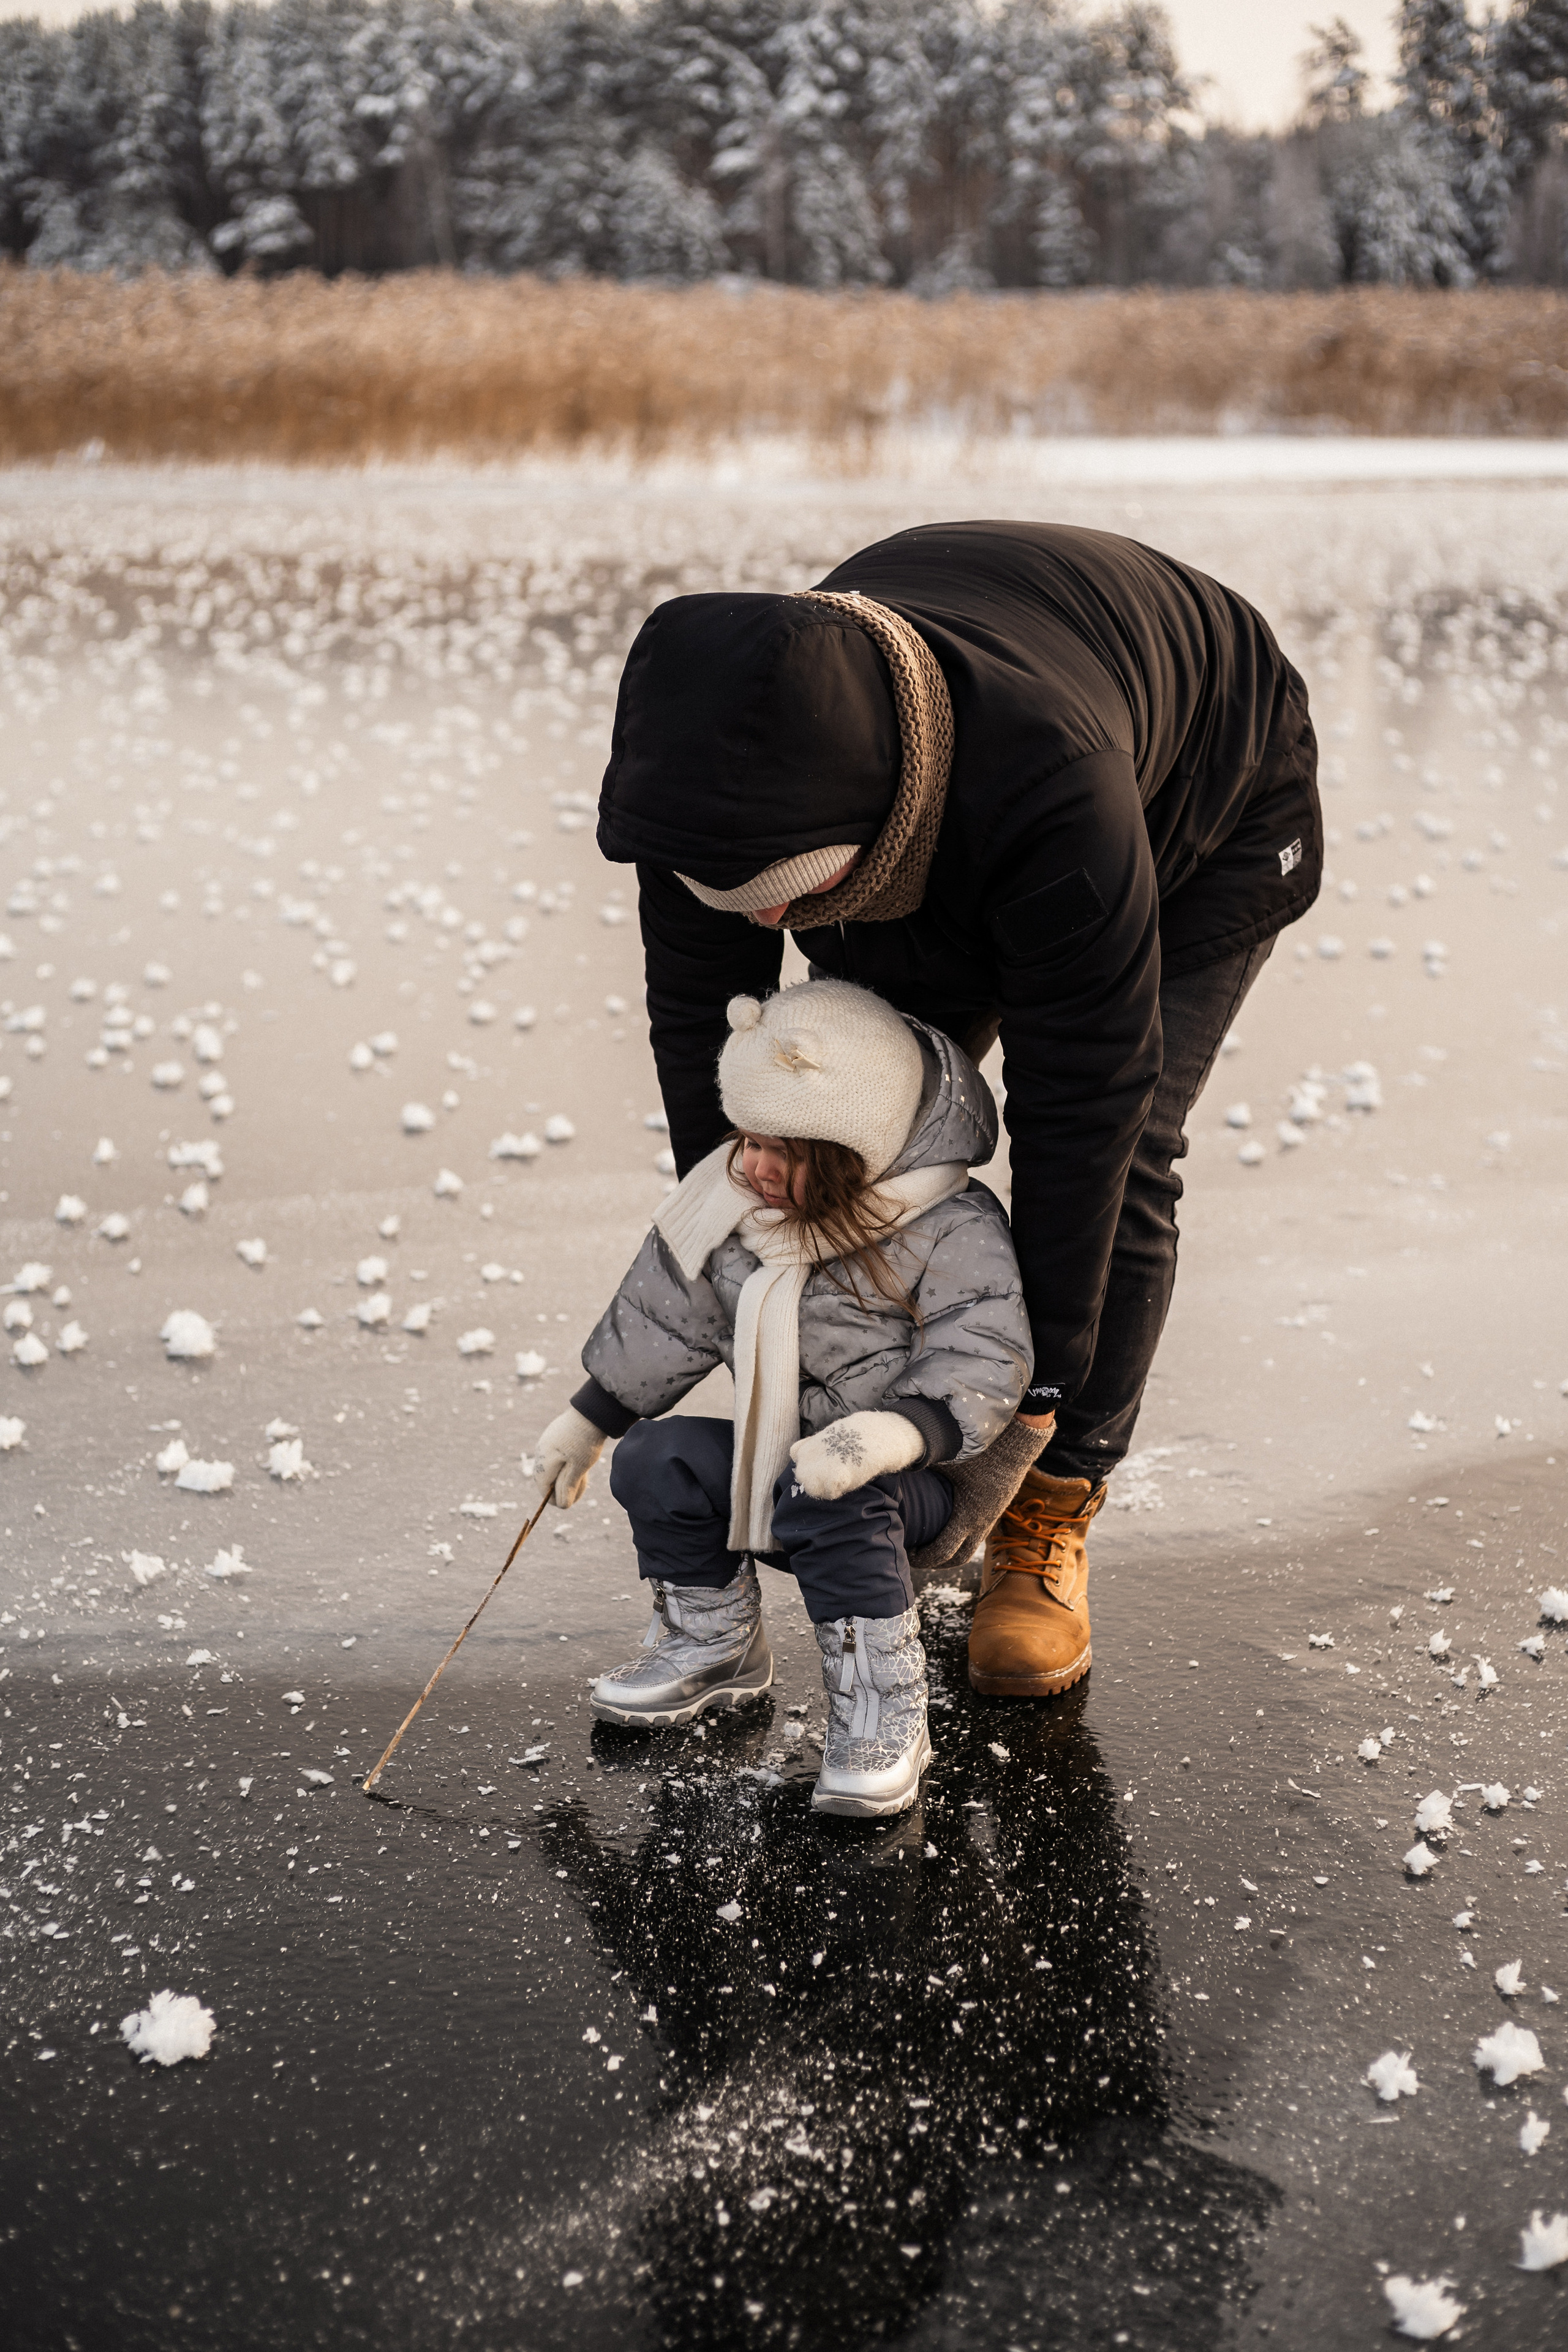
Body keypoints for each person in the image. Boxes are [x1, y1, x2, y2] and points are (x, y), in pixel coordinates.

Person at [590, 521, 1321, 1697]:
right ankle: (889, 1444)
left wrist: (1023, 1414)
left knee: (1128, 1163)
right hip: (917, 801)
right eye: (741, 908)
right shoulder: (704, 782)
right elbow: (707, 1033)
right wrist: (752, 1241)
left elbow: (1086, 1107)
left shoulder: (1053, 791)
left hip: (1205, 816)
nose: (764, 934)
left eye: (790, 904)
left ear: (857, 839)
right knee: (847, 1140)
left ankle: (1049, 1516)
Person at [532, 978, 1031, 1815]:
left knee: (830, 1492)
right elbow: (667, 1316)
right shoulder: (733, 1211)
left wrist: (890, 1436)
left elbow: (983, 1352)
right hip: (789, 1460)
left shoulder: (952, 1228)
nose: (751, 1166)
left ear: (853, 1146)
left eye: (783, 1148)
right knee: (661, 1461)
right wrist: (589, 1421)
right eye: (747, 1136)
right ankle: (712, 1643)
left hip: (914, 1482)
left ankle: (882, 1710)